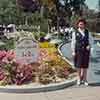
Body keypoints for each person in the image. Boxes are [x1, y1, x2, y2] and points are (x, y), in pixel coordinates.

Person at [71, 19, 91, 86]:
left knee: (85, 66)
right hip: (78, 51)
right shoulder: (75, 33)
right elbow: (73, 42)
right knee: (78, 66)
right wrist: (73, 51)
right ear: (78, 25)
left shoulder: (88, 32)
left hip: (86, 52)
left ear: (84, 25)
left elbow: (92, 41)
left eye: (82, 24)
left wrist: (89, 45)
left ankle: (85, 79)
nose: (81, 25)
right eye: (80, 24)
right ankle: (79, 79)